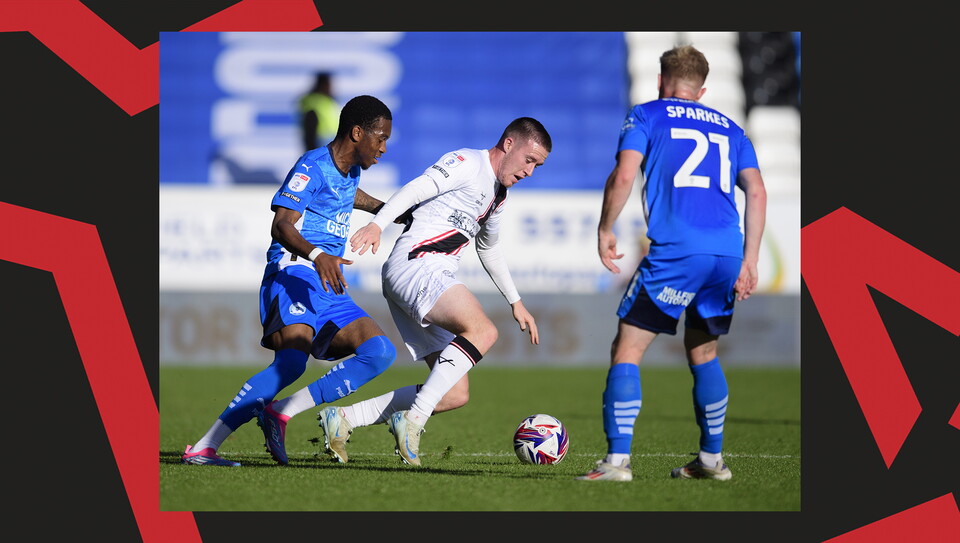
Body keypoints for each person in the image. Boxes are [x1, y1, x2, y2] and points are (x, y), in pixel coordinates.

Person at [576, 45, 767, 482]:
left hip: (678, 250)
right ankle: (711, 460)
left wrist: (606, 227)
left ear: (661, 82)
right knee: (704, 352)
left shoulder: (646, 115)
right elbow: (755, 190)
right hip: (726, 254)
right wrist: (750, 259)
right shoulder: (733, 129)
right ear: (701, 90)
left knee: (627, 348)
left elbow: (625, 173)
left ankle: (616, 463)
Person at [315, 117, 551, 467]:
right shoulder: (468, 163)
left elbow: (489, 248)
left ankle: (346, 418)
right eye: (530, 161)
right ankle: (413, 421)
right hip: (417, 264)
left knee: (454, 392)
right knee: (483, 331)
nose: (530, 172)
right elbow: (417, 189)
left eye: (538, 166)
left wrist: (516, 302)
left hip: (423, 274)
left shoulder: (498, 195)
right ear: (509, 144)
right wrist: (378, 225)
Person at [182, 95, 403, 467]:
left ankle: (280, 411)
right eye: (380, 138)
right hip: (294, 272)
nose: (383, 147)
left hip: (328, 282)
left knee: (380, 352)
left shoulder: (351, 170)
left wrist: (390, 211)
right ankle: (204, 448)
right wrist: (318, 255)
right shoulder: (311, 165)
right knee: (291, 363)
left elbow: (348, 195)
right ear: (356, 133)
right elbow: (281, 224)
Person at [299, 72, 340, 151]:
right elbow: (309, 128)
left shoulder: (328, 100)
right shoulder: (314, 102)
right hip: (320, 142)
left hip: (331, 142)